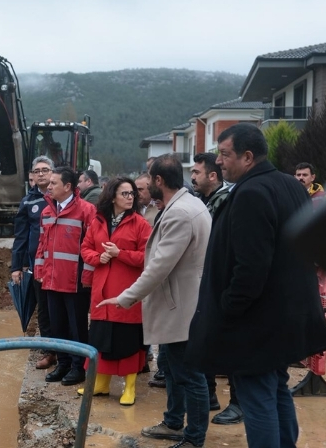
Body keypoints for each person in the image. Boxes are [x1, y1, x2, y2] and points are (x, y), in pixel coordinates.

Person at [186, 123, 326, 448]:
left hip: (257, 322)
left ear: (248, 156)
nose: (219, 162)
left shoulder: (251, 194)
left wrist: (228, 308)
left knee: (257, 397)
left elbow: (250, 268)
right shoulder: (288, 185)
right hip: (286, 316)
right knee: (277, 389)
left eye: (225, 154)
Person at [97, 153, 211, 448]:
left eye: (148, 181)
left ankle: (194, 437)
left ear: (159, 181)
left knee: (190, 374)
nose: (142, 189)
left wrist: (125, 298)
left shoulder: (180, 213)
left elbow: (159, 266)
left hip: (182, 305)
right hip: (178, 303)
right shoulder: (184, 205)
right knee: (173, 367)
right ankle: (174, 421)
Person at [78, 177, 151, 405]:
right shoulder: (98, 221)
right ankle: (100, 384)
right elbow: (85, 248)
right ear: (112, 197)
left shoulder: (140, 224)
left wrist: (121, 254)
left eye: (132, 194)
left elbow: (148, 257)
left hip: (127, 292)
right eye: (125, 194)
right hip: (101, 291)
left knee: (127, 341)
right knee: (100, 339)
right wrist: (98, 257)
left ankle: (129, 388)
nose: (130, 198)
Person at [190, 152, 242, 423]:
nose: (192, 177)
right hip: (206, 280)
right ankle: (209, 394)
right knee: (206, 337)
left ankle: (238, 402)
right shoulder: (202, 201)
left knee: (230, 343)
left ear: (212, 175)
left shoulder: (227, 202)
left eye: (197, 172)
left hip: (224, 283)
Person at [34, 167, 95, 386]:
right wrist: (40, 271)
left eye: (53, 183)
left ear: (68, 186)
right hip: (51, 280)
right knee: (57, 325)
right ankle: (63, 363)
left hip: (75, 281)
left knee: (76, 326)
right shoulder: (47, 212)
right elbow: (42, 246)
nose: (48, 187)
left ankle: (79, 367)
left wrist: (87, 276)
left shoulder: (86, 211)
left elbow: (92, 246)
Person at [12, 156, 56, 369]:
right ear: (32, 175)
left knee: (63, 309)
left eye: (45, 170)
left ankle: (70, 352)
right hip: (37, 265)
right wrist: (16, 267)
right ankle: (49, 351)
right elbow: (20, 237)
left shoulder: (61, 198)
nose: (41, 174)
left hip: (61, 265)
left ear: (52, 173)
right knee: (44, 310)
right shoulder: (28, 202)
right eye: (37, 171)